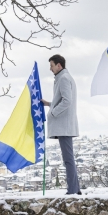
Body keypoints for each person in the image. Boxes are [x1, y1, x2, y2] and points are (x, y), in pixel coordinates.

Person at [40, 54, 81, 195]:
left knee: (68, 160)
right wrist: (49, 104)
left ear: (59, 65)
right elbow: (63, 100)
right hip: (65, 126)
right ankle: (75, 189)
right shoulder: (64, 78)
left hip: (65, 126)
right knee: (68, 159)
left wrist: (52, 113)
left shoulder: (63, 78)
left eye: (51, 65)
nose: (50, 69)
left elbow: (67, 101)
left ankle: (73, 190)